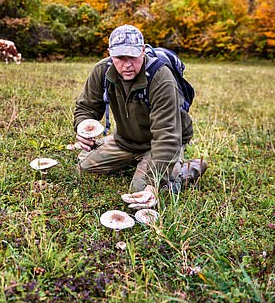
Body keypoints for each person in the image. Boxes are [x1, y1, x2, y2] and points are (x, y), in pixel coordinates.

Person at [73, 24, 204, 195]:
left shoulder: (160, 78)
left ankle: (189, 169)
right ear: (110, 53)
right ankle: (139, 162)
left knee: (140, 190)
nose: (127, 65)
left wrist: (153, 183)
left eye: (133, 57)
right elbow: (86, 107)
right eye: (120, 57)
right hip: (126, 141)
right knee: (84, 167)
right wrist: (82, 126)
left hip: (158, 143)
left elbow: (167, 135)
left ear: (142, 51)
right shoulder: (102, 71)